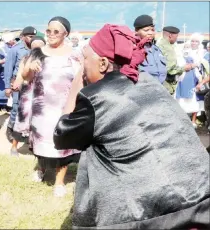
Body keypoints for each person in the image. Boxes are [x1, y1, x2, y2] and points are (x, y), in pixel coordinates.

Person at [53, 23, 209, 228]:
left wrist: (76, 85)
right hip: (200, 202)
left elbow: (61, 137)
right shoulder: (149, 82)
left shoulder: (98, 96)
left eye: (85, 59)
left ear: (101, 64)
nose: (83, 66)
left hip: (149, 216)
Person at [15, 17, 82, 197]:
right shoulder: (37, 52)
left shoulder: (75, 55)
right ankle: (42, 169)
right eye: (48, 31)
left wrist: (76, 105)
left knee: (62, 145)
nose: (51, 35)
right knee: (41, 143)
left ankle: (59, 182)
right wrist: (30, 68)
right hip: (41, 109)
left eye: (56, 32)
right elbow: (25, 78)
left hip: (64, 107)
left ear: (65, 34)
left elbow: (80, 80)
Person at [4, 26, 37, 156]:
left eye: (33, 36)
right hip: (17, 84)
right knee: (16, 109)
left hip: (32, 87)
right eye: (29, 36)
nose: (31, 39)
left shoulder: (37, 50)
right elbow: (8, 68)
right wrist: (7, 86)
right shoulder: (16, 49)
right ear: (23, 36)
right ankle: (11, 131)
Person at [157, 26, 191, 95]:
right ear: (170, 35)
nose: (176, 39)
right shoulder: (167, 48)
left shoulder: (159, 44)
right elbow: (170, 69)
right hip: (166, 84)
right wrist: (183, 68)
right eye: (176, 36)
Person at [134, 14, 167, 84]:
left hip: (159, 88)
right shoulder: (133, 49)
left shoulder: (156, 49)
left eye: (152, 30)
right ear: (136, 31)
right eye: (146, 30)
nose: (150, 33)